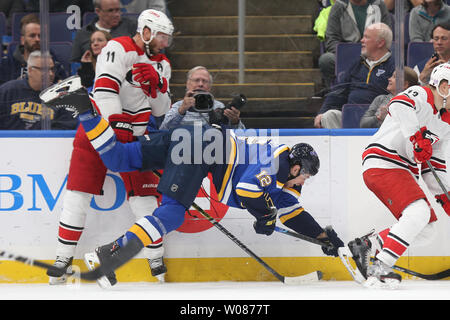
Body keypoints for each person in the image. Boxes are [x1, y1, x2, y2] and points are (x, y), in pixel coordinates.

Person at [40, 75, 345, 288]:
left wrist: (323, 238)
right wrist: (265, 215)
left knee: (119, 158)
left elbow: (292, 212)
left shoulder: (277, 181)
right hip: (199, 147)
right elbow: (247, 190)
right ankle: (109, 255)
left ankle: (84, 105)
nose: (304, 182)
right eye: (306, 175)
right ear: (296, 168)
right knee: (172, 212)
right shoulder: (274, 161)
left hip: (192, 140)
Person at [45, 9, 173, 285]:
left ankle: (155, 257)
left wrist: (158, 88)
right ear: (147, 31)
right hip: (99, 130)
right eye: (161, 35)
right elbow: (104, 91)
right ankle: (62, 258)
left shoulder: (163, 63)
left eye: (167, 37)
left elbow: (162, 110)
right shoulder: (117, 47)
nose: (165, 42)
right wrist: (114, 128)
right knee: (77, 196)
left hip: (136, 136)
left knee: (146, 201)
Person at [339, 63, 450, 289]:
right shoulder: (422, 93)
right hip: (383, 161)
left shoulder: (445, 122)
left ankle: (368, 244)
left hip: (402, 168)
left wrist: (445, 195)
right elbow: (398, 103)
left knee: (426, 229)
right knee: (418, 212)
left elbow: (433, 164)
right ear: (444, 86)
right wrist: (416, 137)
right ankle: (381, 266)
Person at [315, 22, 395, 129]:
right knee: (328, 116)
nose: (361, 40)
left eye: (366, 37)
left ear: (380, 43)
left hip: (377, 120)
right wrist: (322, 112)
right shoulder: (357, 64)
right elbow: (338, 92)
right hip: (350, 117)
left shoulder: (394, 66)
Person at [318, 0, 391, 90]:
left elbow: (387, 35)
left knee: (395, 59)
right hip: (346, 55)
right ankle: (336, 93)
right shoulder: (339, 6)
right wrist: (348, 54)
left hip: (374, 54)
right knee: (326, 60)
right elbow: (331, 39)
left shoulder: (379, 5)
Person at [0, 51, 76, 130]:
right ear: (30, 70)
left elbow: (65, 130)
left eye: (52, 69)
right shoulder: (7, 91)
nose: (50, 74)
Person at [160, 66, 245, 130]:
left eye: (205, 81)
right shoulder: (178, 106)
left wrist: (235, 122)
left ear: (210, 87)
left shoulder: (218, 106)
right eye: (196, 80)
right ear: (188, 84)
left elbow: (239, 136)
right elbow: (164, 129)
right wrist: (181, 110)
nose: (200, 84)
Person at [0, 13, 68, 86]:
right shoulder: (6, 65)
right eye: (32, 36)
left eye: (40, 36)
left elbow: (65, 90)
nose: (37, 39)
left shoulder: (55, 65)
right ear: (22, 40)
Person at [71, 0, 138, 63]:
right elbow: (74, 63)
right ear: (98, 11)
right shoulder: (83, 33)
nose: (116, 15)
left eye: (118, 10)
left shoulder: (132, 27)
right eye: (110, 11)